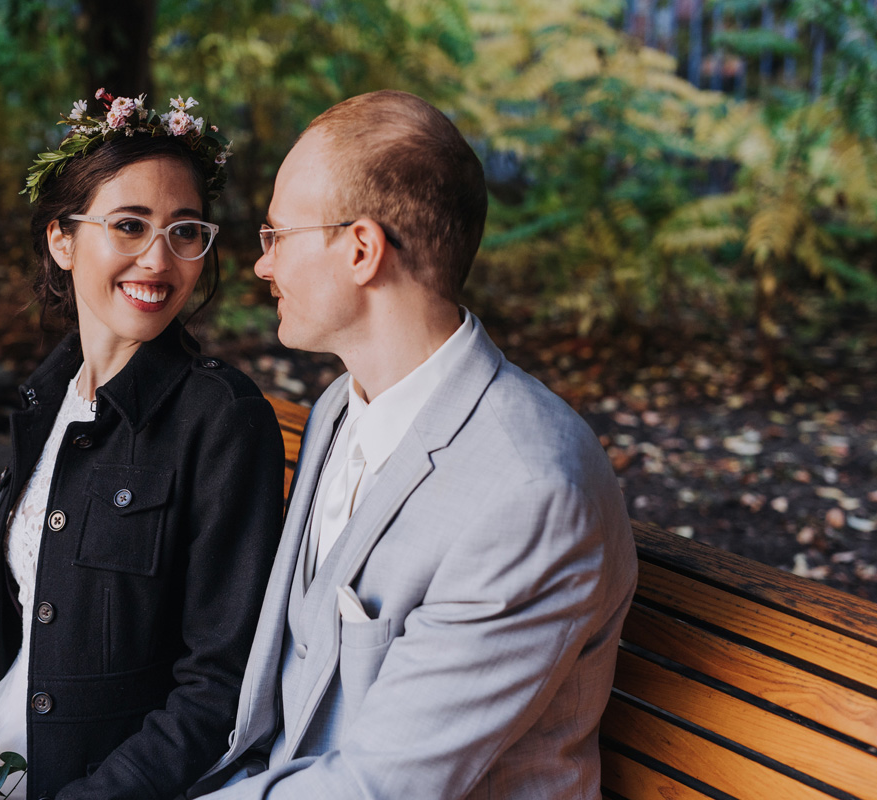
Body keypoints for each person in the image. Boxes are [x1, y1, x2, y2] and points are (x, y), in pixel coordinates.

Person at [188, 90, 637, 799]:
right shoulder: (342, 404)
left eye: (278, 237)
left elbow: (378, 787)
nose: (261, 266)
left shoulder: (529, 495)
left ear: (362, 249)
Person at [0, 90, 284, 800]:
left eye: (184, 231)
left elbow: (218, 688)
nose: (158, 260)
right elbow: (7, 619)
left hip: (88, 779)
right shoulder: (45, 398)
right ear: (62, 238)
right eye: (130, 225)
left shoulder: (223, 420)